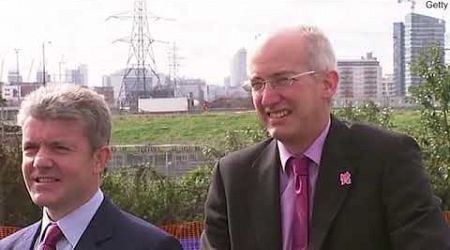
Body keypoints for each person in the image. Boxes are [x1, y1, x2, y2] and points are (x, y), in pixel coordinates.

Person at [201, 25, 450, 250]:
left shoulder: (387, 160)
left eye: (283, 80)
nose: (267, 98)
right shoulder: (233, 176)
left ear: (328, 84)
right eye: (257, 84)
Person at [0, 85, 183, 250]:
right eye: (30, 149)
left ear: (100, 159)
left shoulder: (151, 247)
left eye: (59, 148)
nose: (40, 161)